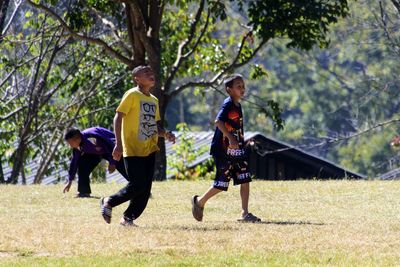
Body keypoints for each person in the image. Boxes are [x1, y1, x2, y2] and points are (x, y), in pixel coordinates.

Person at [100, 65, 176, 226]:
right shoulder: (132, 95)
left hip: (149, 149)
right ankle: (109, 201)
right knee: (137, 184)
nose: (151, 74)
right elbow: (118, 118)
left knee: (145, 189)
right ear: (137, 79)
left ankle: (128, 218)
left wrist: (166, 134)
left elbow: (154, 126)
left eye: (152, 72)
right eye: (146, 73)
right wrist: (118, 144)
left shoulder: (153, 100)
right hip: (132, 148)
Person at [191, 74, 261, 222]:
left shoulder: (238, 105)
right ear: (229, 90)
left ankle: (245, 213)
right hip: (223, 151)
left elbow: (235, 127)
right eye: (238, 86)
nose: (242, 89)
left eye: (243, 86)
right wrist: (230, 138)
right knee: (222, 183)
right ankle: (199, 202)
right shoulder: (228, 104)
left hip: (237, 150)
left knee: (245, 178)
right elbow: (218, 121)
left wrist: (241, 141)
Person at [63, 127, 128, 197]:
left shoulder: (91, 136)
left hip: (111, 148)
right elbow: (74, 162)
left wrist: (112, 163)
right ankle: (83, 192)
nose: (70, 146)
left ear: (77, 138)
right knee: (82, 165)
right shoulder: (77, 147)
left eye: (70, 143)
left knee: (125, 169)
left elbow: (109, 144)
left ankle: (136, 186)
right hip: (95, 152)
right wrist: (70, 180)